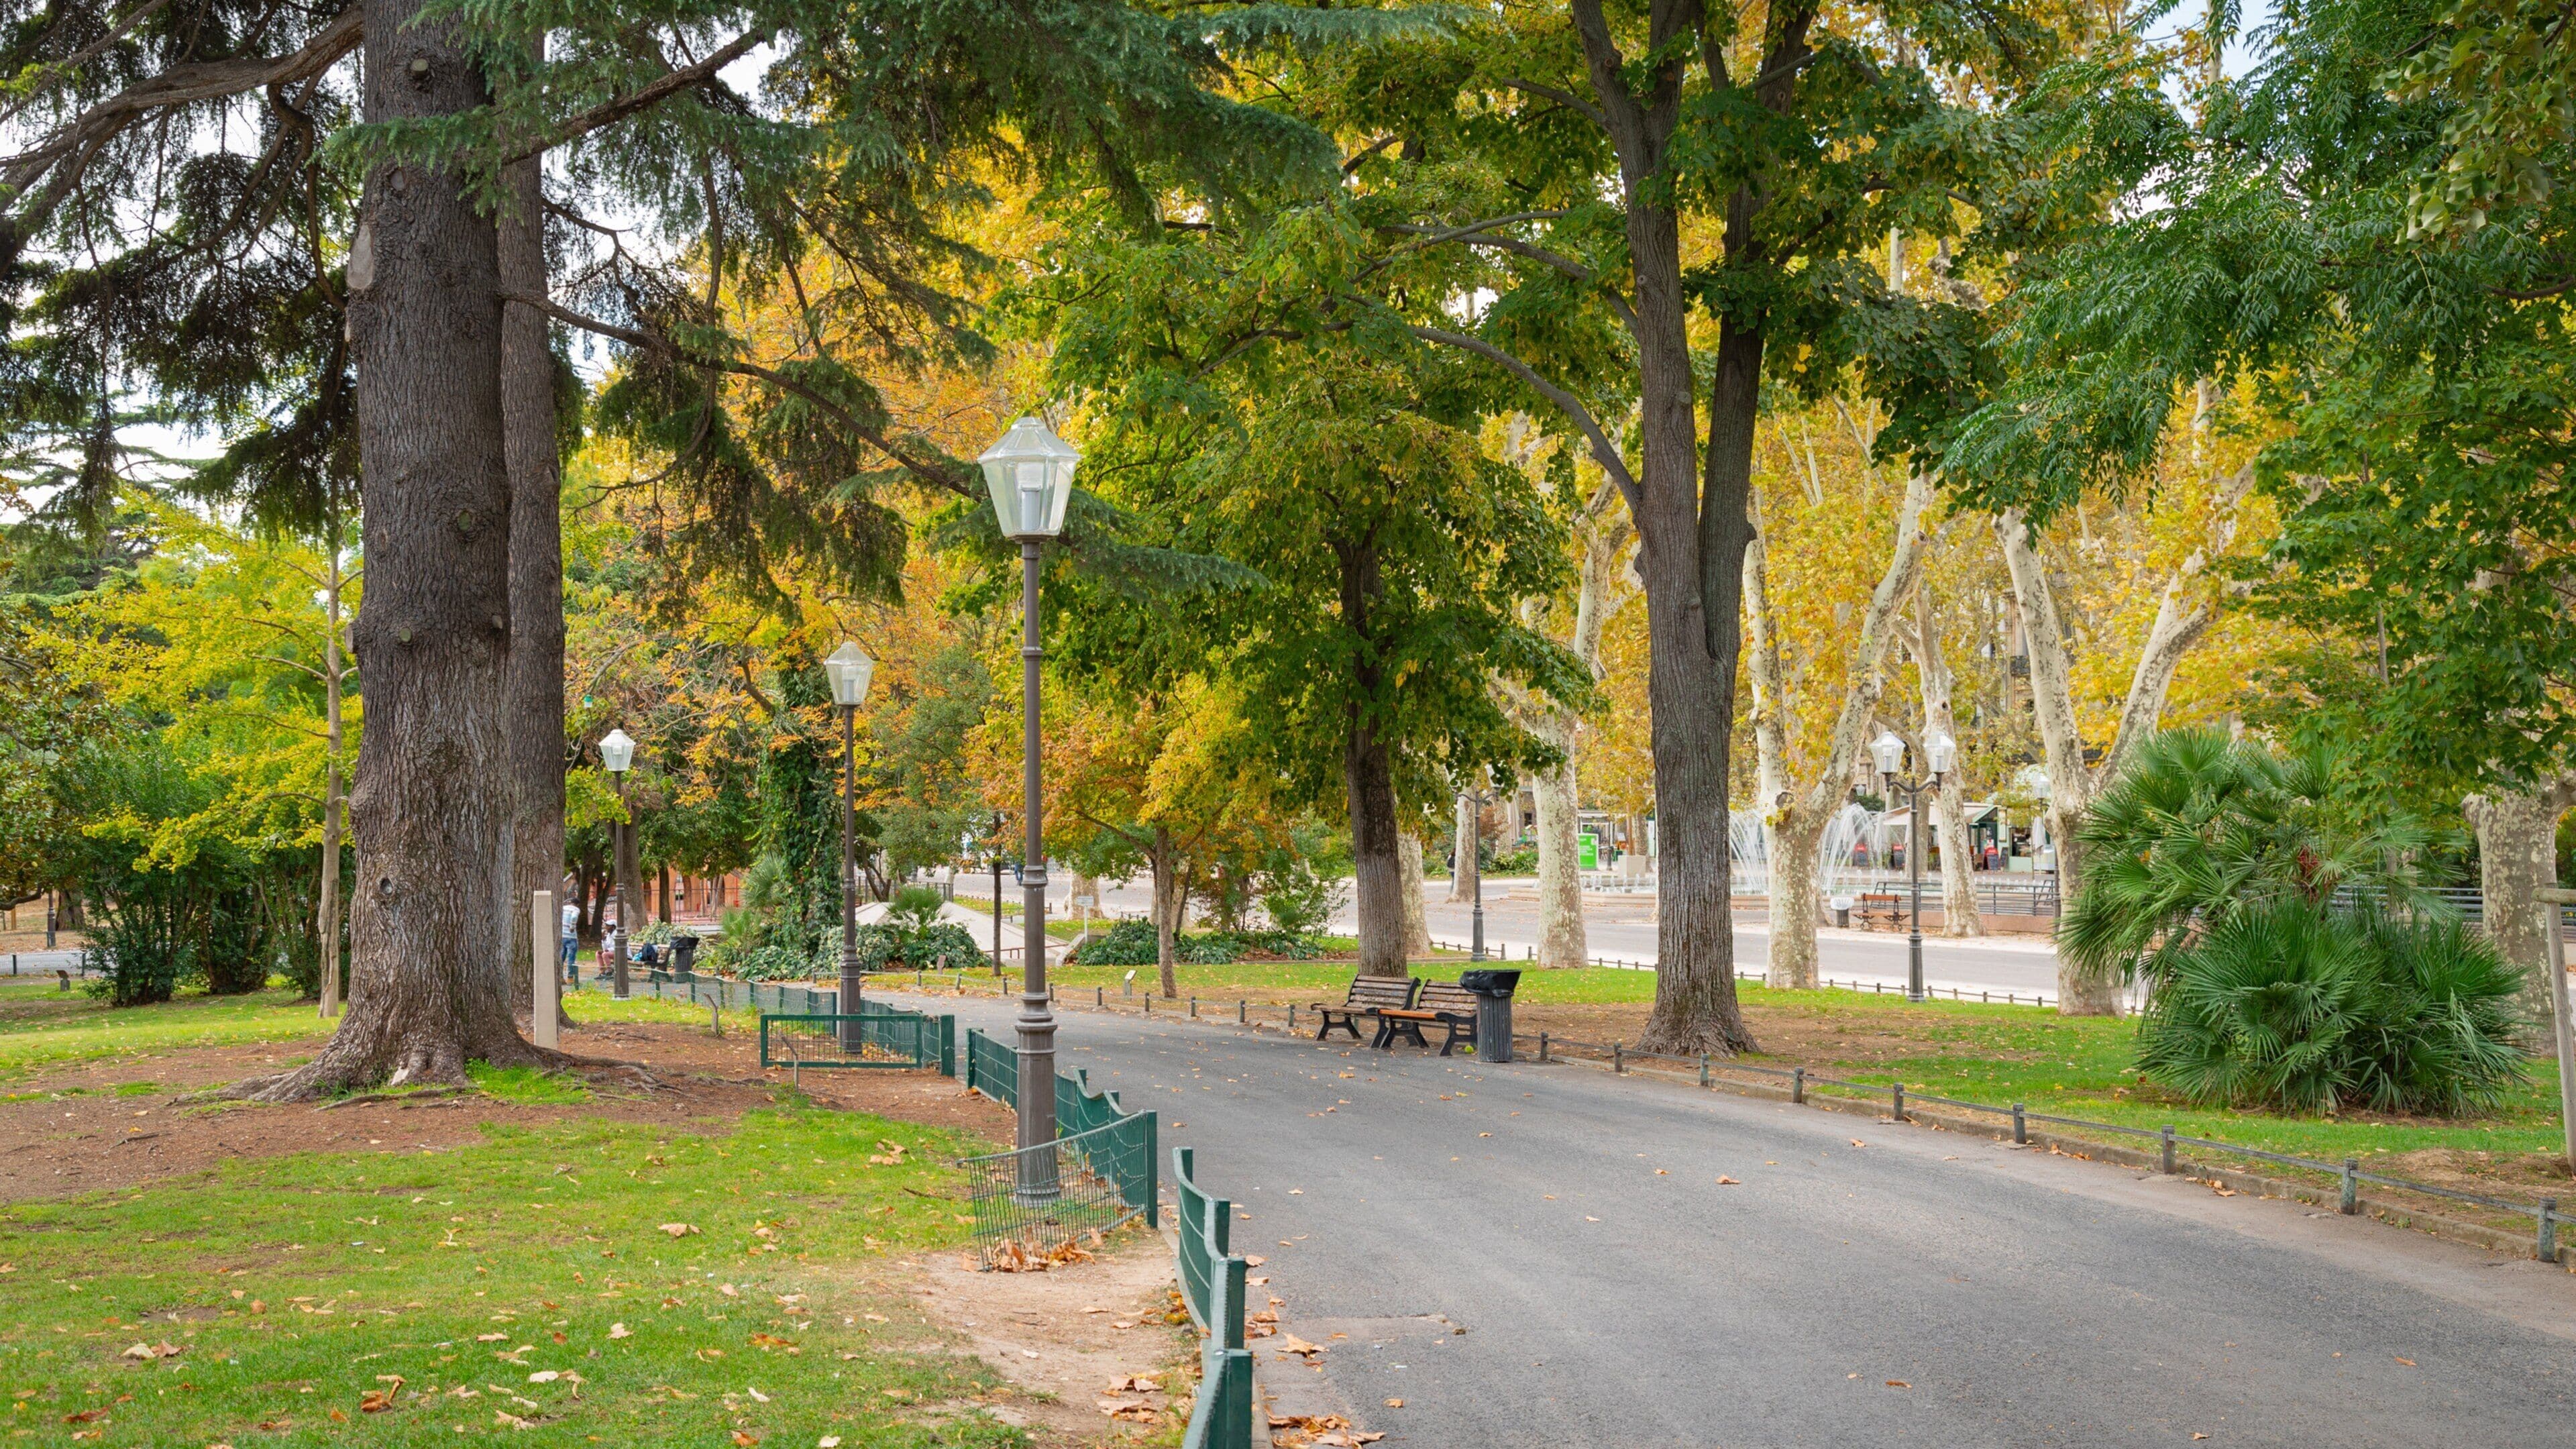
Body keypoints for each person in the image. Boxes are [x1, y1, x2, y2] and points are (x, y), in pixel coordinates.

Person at [559, 900, 581, 985]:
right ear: (577, 904)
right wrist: (572, 926)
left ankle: (559, 976)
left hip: (562, 935)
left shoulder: (563, 908)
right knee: (571, 957)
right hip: (571, 936)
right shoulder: (575, 909)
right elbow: (574, 917)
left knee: (561, 956)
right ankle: (570, 977)